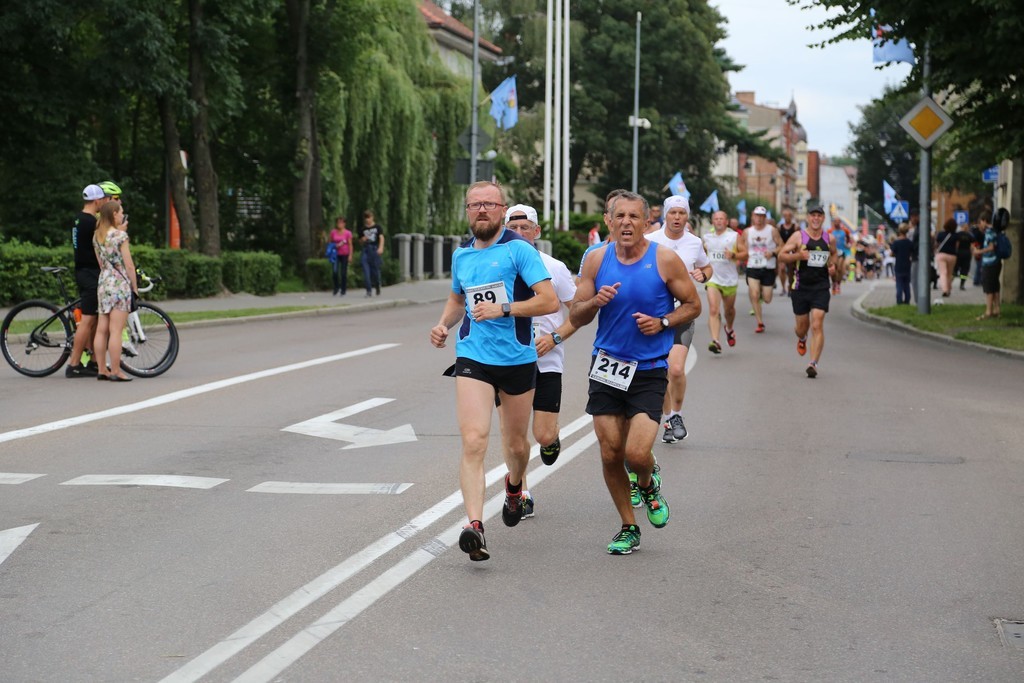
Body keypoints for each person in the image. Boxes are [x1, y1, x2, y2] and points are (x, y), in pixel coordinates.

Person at [429, 181, 558, 562]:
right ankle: (474, 525)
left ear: (502, 209)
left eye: (489, 204)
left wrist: (504, 309)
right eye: (475, 205)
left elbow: (549, 301)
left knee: (517, 446)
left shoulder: (519, 250)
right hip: (474, 356)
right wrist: (443, 324)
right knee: (474, 441)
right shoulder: (461, 255)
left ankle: (514, 487)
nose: (482, 210)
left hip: (517, 359)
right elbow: (457, 299)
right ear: (467, 211)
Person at [570, 191, 701, 555]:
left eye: (633, 217)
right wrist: (594, 302)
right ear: (609, 221)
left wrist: (663, 322)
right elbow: (576, 315)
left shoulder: (665, 259)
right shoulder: (596, 260)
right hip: (607, 367)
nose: (626, 222)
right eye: (620, 216)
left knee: (637, 453)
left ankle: (648, 482)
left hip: (649, 368)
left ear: (646, 222)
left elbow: (693, 305)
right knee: (610, 452)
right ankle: (629, 526)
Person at [502, 204, 578, 517]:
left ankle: (551, 440)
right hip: (507, 362)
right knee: (513, 437)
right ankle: (521, 492)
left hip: (546, 361)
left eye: (525, 228)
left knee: (542, 434)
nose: (519, 234)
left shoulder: (554, 268)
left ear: (537, 231)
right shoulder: (496, 265)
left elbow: (579, 312)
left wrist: (555, 337)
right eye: (513, 228)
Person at [646, 195, 711, 444]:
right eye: (672, 212)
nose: (677, 217)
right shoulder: (651, 240)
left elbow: (707, 267)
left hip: (682, 312)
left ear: (687, 216)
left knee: (675, 369)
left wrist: (703, 275)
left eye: (681, 213)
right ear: (665, 215)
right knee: (661, 371)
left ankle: (677, 415)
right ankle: (667, 418)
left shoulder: (694, 242)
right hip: (655, 313)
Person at [778, 202, 836, 378]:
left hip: (821, 286)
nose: (816, 218)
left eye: (819, 215)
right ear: (808, 218)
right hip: (800, 287)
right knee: (802, 328)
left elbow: (834, 254)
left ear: (823, 218)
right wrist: (798, 255)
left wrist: (832, 266)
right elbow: (781, 255)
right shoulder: (798, 237)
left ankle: (813, 363)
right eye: (813, 215)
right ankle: (802, 338)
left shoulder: (829, 238)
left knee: (817, 323)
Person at [66, 184, 109, 377]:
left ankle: (93, 361)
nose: (105, 202)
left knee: (95, 318)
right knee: (88, 319)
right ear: (97, 200)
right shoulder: (91, 222)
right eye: (104, 199)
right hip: (89, 273)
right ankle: (74, 364)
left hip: (84, 271)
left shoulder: (78, 219)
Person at [92, 200, 137, 382]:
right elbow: (129, 265)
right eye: (121, 212)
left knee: (101, 330)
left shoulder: (97, 236)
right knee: (116, 330)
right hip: (119, 284)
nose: (122, 215)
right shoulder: (120, 236)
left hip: (104, 283)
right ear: (114, 214)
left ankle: (102, 369)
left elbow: (100, 263)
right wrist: (134, 286)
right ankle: (116, 371)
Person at [703, 209, 746, 352]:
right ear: (713, 221)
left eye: (721, 219)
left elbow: (745, 254)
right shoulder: (707, 237)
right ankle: (715, 341)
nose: (719, 221)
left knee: (729, 311)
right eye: (716, 219)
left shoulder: (734, 236)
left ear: (726, 222)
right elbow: (701, 255)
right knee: (713, 309)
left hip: (729, 279)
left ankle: (729, 328)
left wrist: (733, 255)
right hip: (713, 279)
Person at [744, 206, 783, 333]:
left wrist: (772, 252)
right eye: (757, 216)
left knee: (767, 299)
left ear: (765, 218)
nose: (759, 219)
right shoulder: (747, 232)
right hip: (752, 266)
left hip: (768, 267)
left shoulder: (772, 230)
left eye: (761, 216)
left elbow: (781, 245)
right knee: (754, 294)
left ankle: (761, 291)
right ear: (752, 217)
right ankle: (760, 323)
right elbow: (742, 247)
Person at [973, 211, 1002, 320]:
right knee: (995, 286)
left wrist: (979, 252)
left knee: (989, 287)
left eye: (980, 222)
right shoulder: (996, 230)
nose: (980, 225)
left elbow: (991, 247)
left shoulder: (989, 232)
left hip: (990, 262)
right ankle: (997, 309)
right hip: (996, 262)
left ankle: (988, 311)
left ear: (984, 221)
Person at [360, 210, 384, 297]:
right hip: (366, 249)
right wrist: (362, 240)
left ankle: (377, 285)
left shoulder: (377, 227)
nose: (367, 220)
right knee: (366, 271)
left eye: (369, 217)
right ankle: (368, 290)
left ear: (372, 217)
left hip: (374, 249)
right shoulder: (363, 229)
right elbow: (360, 241)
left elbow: (381, 238)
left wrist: (381, 247)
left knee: (375, 271)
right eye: (366, 218)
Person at [776, 206, 799, 295]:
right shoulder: (779, 227)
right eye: (785, 216)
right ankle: (783, 288)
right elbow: (778, 240)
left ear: (791, 217)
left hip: (792, 251)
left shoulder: (795, 227)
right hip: (783, 250)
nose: (787, 217)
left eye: (789, 215)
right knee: (781, 269)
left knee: (791, 270)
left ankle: (790, 286)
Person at [934, 218, 958, 297]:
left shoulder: (940, 234)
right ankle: (949, 289)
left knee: (943, 273)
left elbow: (936, 244)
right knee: (949, 274)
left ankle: (945, 290)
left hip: (941, 255)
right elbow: (957, 246)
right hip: (952, 256)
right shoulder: (956, 235)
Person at [890, 224, 913, 305]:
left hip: (899, 265)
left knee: (899, 284)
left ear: (899, 231)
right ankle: (907, 300)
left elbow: (891, 253)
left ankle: (899, 301)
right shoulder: (909, 242)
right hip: (907, 265)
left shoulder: (896, 243)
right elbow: (912, 253)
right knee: (907, 284)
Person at [328, 217, 352, 296]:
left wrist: (350, 255)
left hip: (345, 254)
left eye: (341, 223)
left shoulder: (347, 233)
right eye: (338, 223)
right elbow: (330, 242)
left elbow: (350, 244)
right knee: (335, 271)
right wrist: (334, 246)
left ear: (344, 224)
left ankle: (343, 289)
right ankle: (336, 287)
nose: (339, 224)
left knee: (343, 273)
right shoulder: (333, 232)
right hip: (336, 254)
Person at [827, 217, 852, 294]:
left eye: (838, 221)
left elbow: (849, 239)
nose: (837, 223)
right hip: (833, 252)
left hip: (842, 251)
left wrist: (848, 244)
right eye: (835, 221)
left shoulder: (845, 230)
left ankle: (838, 284)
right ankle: (834, 283)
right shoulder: (830, 231)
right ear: (833, 222)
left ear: (840, 222)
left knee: (840, 269)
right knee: (833, 269)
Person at [953, 220, 974, 291]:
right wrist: (971, 254)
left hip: (959, 253)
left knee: (955, 269)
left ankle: (950, 283)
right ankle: (962, 284)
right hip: (967, 254)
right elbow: (971, 246)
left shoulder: (958, 234)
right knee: (964, 270)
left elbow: (957, 244)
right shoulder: (970, 235)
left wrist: (955, 253)